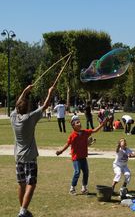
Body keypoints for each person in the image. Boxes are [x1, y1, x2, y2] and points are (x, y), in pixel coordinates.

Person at [10, 84, 54, 217]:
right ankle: (23, 211)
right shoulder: (29, 118)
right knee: (31, 184)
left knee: (22, 184)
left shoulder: (13, 116)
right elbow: (45, 106)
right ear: (27, 108)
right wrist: (49, 92)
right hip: (29, 157)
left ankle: (22, 209)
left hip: (18, 157)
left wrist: (25, 91)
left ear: (17, 108)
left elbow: (19, 103)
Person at [56, 115, 108, 195]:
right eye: (77, 123)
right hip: (76, 158)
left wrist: (102, 124)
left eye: (79, 122)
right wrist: (61, 151)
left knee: (86, 172)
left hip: (83, 157)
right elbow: (67, 144)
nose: (79, 123)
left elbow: (95, 131)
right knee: (77, 172)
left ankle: (84, 188)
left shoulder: (85, 132)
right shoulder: (72, 136)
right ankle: (72, 188)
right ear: (73, 126)